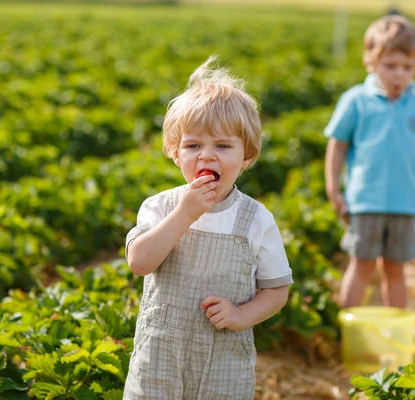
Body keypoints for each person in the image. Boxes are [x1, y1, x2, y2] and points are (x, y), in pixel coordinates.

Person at [123, 56, 293, 399]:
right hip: (159, 360)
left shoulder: (256, 219)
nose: (207, 156)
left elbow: (277, 290)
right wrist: (184, 214)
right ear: (175, 152)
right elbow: (140, 263)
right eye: (193, 145)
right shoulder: (160, 207)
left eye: (223, 146)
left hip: (223, 364)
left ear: (247, 156)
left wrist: (242, 315)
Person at [324, 16, 415, 309]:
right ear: (371, 62)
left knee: (395, 270)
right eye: (390, 66)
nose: (399, 75)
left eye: (407, 68)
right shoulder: (356, 100)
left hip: (405, 202)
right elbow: (337, 146)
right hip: (366, 200)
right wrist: (333, 188)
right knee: (361, 264)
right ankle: (348, 334)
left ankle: (394, 338)